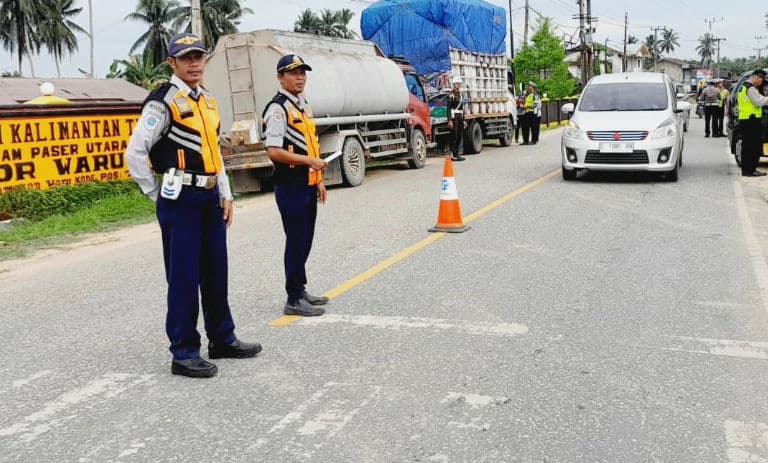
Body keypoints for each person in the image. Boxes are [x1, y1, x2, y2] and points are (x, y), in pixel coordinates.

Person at [125, 33, 262, 378]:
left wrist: (226, 193)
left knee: (216, 272)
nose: (194, 63)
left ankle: (222, 338)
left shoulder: (208, 101)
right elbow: (135, 152)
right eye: (185, 58)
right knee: (184, 277)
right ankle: (184, 351)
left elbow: (214, 152)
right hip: (180, 199)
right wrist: (155, 193)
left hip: (210, 197)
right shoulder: (162, 102)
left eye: (198, 56)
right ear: (171, 63)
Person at [262, 54, 329, 317]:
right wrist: (309, 161)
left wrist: (319, 180)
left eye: (303, 73)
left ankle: (300, 290)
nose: (300, 78)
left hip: (308, 183)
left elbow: (311, 142)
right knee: (296, 240)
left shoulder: (303, 106)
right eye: (293, 73)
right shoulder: (278, 109)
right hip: (290, 185)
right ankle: (293, 297)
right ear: (281, 77)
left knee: (305, 239)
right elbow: (274, 151)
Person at [737, 69, 768, 177]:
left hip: (745, 119)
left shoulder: (743, 87)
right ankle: (751, 169)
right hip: (752, 120)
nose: (761, 83)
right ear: (756, 77)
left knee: (747, 146)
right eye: (761, 80)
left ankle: (747, 170)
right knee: (753, 146)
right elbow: (758, 101)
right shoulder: (750, 89)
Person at [446, 76, 467, 161]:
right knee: (454, 136)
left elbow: (463, 109)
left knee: (459, 136)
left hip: (460, 117)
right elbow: (448, 108)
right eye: (457, 84)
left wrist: (464, 120)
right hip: (454, 117)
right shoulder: (450, 95)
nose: (458, 85)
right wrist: (450, 120)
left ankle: (457, 154)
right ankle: (453, 154)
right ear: (453, 85)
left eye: (459, 84)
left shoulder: (461, 95)